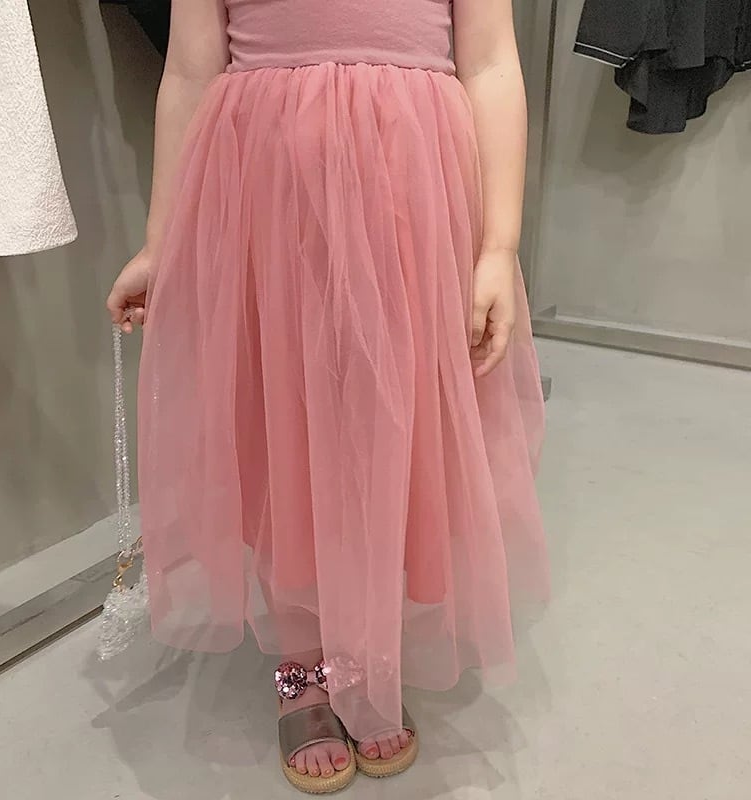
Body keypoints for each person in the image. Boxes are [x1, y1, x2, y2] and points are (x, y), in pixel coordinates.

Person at [107, 0, 548, 793]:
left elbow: (490, 63)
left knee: (391, 425)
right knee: (284, 423)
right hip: (266, 194)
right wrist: (161, 240)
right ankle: (304, 658)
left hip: (410, 193)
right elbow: (190, 70)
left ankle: (369, 649)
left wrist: (498, 243)